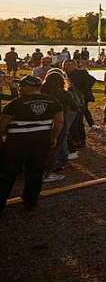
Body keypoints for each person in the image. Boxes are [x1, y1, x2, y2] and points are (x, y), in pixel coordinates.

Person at [0, 76, 63, 213]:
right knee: (35, 173)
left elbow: (2, 124)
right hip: (41, 142)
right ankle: (31, 201)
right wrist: (53, 138)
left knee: (8, 174)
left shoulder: (15, 104)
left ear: (28, 87)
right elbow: (59, 122)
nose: (20, 88)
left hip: (16, 144)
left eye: (22, 86)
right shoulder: (53, 101)